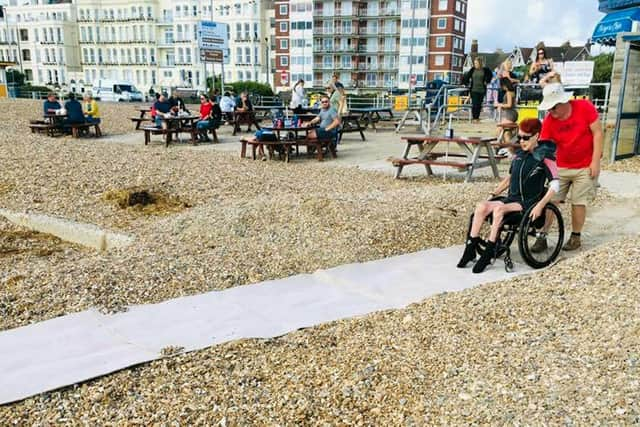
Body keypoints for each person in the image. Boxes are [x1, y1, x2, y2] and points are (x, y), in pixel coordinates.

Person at [457, 118, 559, 273]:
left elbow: (555, 185)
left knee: (499, 210)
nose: (522, 141)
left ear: (537, 136)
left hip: (528, 203)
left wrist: (540, 205)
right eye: (519, 137)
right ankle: (470, 248)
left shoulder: (546, 157)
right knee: (481, 206)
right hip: (512, 199)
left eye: (526, 138)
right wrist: (495, 192)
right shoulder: (519, 155)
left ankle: (489, 250)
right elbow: (510, 178)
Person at [533, 83, 603, 251]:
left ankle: (575, 236)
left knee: (578, 201)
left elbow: (598, 133)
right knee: (552, 200)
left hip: (585, 164)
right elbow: (544, 147)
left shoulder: (585, 107)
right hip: (562, 165)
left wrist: (596, 161)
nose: (552, 112)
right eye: (549, 108)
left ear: (564, 101)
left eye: (554, 107)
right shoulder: (550, 121)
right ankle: (542, 235)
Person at [462, 57, 492, 122]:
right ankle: (474, 118)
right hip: (474, 89)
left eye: (476, 63)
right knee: (474, 104)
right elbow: (467, 76)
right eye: (474, 63)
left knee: (479, 105)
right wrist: (465, 83)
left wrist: (487, 81)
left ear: (480, 63)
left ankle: (477, 117)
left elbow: (490, 75)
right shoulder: (472, 69)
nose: (475, 64)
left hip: (482, 90)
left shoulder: (485, 70)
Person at [495, 77, 518, 143]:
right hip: (511, 113)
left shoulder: (508, 93)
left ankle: (500, 145)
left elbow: (509, 105)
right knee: (506, 132)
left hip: (509, 114)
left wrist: (499, 105)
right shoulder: (512, 92)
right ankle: (507, 147)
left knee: (499, 129)